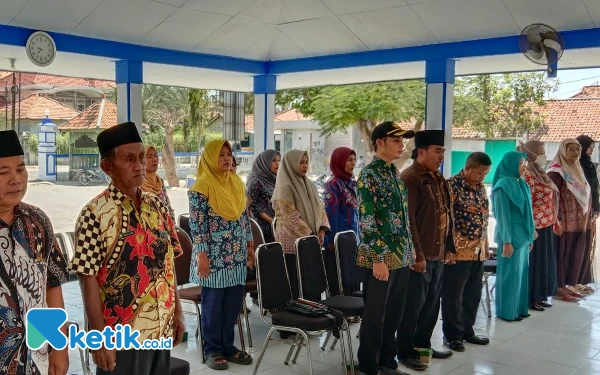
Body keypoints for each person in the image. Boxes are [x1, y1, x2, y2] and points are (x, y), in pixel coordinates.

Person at [70, 122, 185, 375]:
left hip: (160, 326)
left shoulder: (158, 206)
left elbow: (168, 264)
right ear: (107, 167)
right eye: (129, 159)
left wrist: (177, 312)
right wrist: (98, 338)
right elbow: (86, 278)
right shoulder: (94, 214)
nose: (140, 165)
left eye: (142, 157)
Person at [0, 130, 69, 375]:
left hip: (35, 358)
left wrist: (59, 347)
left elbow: (53, 284)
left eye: (20, 169)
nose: (15, 180)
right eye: (3, 172)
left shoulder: (37, 221)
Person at [355, 121, 415, 375]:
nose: (402, 145)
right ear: (380, 143)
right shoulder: (369, 175)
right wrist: (378, 258)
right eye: (396, 141)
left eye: (403, 141)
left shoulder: (393, 173)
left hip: (400, 255)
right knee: (375, 316)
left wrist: (409, 252)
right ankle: (369, 366)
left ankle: (388, 362)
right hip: (380, 257)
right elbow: (367, 220)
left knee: (393, 314)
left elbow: (402, 218)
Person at [188, 140, 254, 370]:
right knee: (213, 305)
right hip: (213, 256)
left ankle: (228, 346)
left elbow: (244, 218)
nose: (227, 158)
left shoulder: (236, 182)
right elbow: (197, 225)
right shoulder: (200, 187)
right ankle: (212, 349)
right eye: (221, 154)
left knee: (234, 303)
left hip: (236, 254)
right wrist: (202, 255)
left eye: (229, 154)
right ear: (210, 158)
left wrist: (249, 246)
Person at [397, 130, 454, 371]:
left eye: (442, 151)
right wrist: (417, 255)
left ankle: (422, 347)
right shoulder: (411, 177)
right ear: (421, 152)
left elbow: (446, 213)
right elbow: (408, 220)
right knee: (413, 306)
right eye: (437, 151)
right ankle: (405, 351)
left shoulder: (437, 178)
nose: (442, 156)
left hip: (438, 253)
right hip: (420, 256)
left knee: (431, 305)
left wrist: (449, 247)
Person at [442, 152, 492, 352]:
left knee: (473, 293)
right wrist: (448, 248)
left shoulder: (480, 189)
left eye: (486, 173)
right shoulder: (451, 185)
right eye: (480, 173)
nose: (482, 177)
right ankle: (452, 335)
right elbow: (446, 221)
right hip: (457, 252)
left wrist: (486, 245)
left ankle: (467, 331)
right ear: (468, 168)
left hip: (478, 251)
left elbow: (484, 219)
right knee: (453, 295)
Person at [272, 150, 330, 301]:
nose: (305, 166)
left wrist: (322, 230)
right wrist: (311, 236)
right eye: (301, 162)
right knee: (295, 283)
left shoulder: (309, 184)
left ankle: (313, 310)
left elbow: (320, 208)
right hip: (291, 243)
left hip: (310, 241)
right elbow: (291, 218)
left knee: (311, 281)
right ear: (291, 164)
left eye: (306, 162)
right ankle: (296, 315)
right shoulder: (285, 187)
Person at [492, 151, 536, 322]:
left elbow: (529, 213)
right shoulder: (502, 185)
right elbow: (502, 216)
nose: (524, 167)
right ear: (511, 164)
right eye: (520, 164)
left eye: (525, 163)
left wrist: (530, 235)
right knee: (509, 275)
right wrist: (507, 241)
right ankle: (506, 312)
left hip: (523, 235)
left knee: (521, 274)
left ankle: (519, 309)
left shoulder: (522, 184)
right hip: (510, 235)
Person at [547, 139, 592, 302]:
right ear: (562, 151)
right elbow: (552, 197)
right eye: (571, 149)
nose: (575, 152)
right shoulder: (556, 171)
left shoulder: (577, 169)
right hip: (563, 223)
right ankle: (557, 287)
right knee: (561, 254)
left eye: (577, 149)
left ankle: (566, 285)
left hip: (578, 223)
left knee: (573, 254)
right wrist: (556, 220)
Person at [519, 141, 559, 310]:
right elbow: (526, 203)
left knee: (544, 262)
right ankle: (531, 298)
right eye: (541, 152)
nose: (544, 156)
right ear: (531, 154)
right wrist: (531, 226)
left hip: (547, 223)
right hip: (534, 226)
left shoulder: (540, 172)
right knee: (535, 263)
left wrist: (555, 219)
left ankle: (541, 295)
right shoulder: (527, 175)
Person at [324, 147, 359, 296]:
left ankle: (352, 309)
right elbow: (331, 213)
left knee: (352, 274)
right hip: (339, 237)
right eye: (349, 160)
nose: (353, 163)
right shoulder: (333, 184)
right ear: (339, 161)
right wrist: (332, 239)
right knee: (340, 275)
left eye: (354, 160)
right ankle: (342, 311)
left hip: (352, 236)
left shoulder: (350, 182)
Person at [576, 135, 598, 290]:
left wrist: (597, 208)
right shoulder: (576, 165)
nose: (591, 150)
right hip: (578, 213)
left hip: (591, 210)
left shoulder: (589, 165)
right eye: (589, 147)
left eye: (593, 148)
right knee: (579, 245)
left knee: (588, 245)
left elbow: (595, 189)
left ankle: (582, 278)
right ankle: (573, 280)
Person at [246, 150, 280, 243]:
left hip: (275, 224)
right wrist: (270, 220)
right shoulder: (255, 180)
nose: (277, 163)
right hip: (262, 226)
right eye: (273, 161)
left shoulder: (275, 179)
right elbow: (253, 205)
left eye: (278, 160)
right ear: (265, 162)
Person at [141, 145, 175, 219]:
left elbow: (168, 205)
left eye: (156, 156)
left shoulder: (159, 180)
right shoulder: (138, 184)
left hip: (167, 226)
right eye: (149, 157)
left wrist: (173, 225)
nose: (154, 159)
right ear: (141, 160)